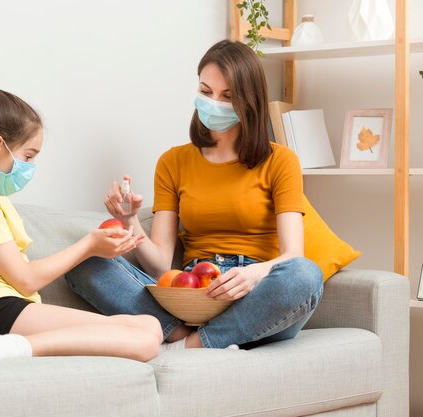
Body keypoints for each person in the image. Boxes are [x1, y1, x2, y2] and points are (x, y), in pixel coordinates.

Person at [65, 40, 324, 351]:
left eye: (228, 96)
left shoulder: (280, 161)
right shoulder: (173, 162)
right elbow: (161, 265)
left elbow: (293, 254)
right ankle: (188, 336)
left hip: (255, 293)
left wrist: (253, 275)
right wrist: (129, 219)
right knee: (84, 257)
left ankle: (195, 344)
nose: (214, 103)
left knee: (304, 276)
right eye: (206, 91)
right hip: (190, 294)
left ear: (250, 102)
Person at [0, 81, 162, 360]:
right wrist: (89, 246)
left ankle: (11, 347)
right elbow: (25, 280)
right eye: (28, 156)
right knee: (143, 341)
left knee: (151, 326)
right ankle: (10, 348)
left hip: (4, 310)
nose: (29, 167)